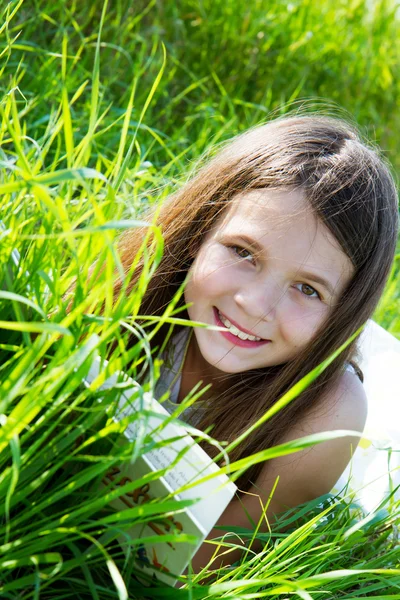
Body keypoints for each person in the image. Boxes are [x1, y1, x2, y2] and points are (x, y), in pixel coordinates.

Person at [114, 114, 399, 570]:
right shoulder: (128, 285)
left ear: (342, 313)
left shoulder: (325, 422)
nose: (255, 304)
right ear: (200, 230)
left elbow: (190, 566)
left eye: (308, 288)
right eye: (243, 252)